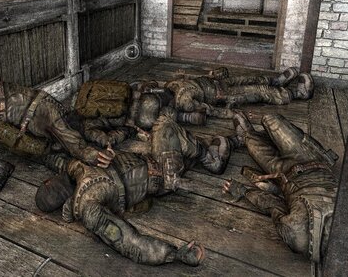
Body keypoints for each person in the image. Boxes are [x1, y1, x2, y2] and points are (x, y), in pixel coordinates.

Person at [34, 105, 238, 266]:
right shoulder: (88, 205)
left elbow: (56, 160)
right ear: (49, 183)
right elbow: (129, 242)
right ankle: (213, 161)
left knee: (186, 145)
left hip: (154, 162)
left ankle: (225, 146)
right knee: (165, 125)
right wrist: (176, 254)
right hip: (161, 177)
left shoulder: (77, 175)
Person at [222, 111, 338, 263]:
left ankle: (248, 137)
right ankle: (262, 138)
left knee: (250, 141)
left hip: (284, 176)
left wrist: (243, 191)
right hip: (310, 158)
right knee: (270, 119)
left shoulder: (297, 237)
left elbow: (273, 205)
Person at [164, 66, 314, 119]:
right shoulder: (185, 103)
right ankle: (297, 94)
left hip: (215, 82)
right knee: (258, 91)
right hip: (222, 94)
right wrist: (231, 113)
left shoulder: (171, 85)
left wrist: (211, 75)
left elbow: (188, 78)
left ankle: (276, 82)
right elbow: (210, 110)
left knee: (250, 78)